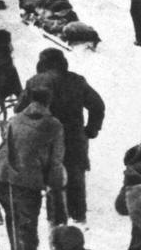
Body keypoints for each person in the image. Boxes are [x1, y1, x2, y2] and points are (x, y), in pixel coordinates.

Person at [17, 48, 105, 223]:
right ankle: (79, 217)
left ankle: (57, 221)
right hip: (75, 138)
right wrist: (91, 129)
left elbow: (20, 109)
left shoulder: (35, 82)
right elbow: (97, 105)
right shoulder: (77, 80)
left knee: (52, 178)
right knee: (76, 177)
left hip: (45, 139)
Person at [0, 86, 66, 250]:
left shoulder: (15, 119)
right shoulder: (53, 124)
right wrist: (55, 187)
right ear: (49, 102)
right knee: (28, 226)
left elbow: (6, 147)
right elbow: (56, 161)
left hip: (1, 175)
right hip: (27, 179)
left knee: (12, 214)